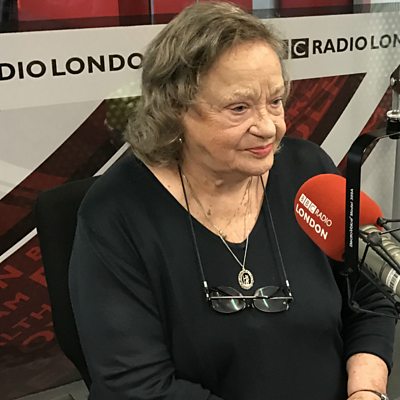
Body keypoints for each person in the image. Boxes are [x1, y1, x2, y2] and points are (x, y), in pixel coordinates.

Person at [69, 2, 396, 399]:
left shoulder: (309, 171)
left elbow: (368, 298)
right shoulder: (116, 213)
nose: (269, 127)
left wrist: (366, 391)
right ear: (174, 109)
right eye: (239, 108)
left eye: (275, 101)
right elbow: (136, 387)